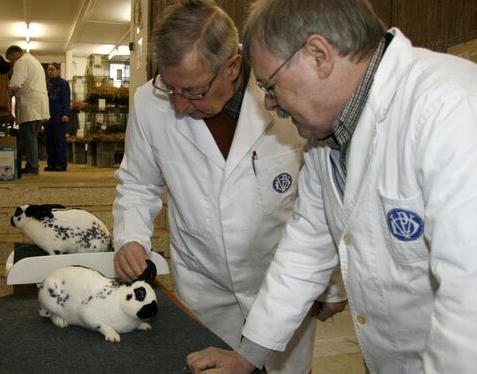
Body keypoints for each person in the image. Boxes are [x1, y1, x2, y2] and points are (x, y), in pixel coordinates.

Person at [186, 0, 477, 373]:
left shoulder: (455, 110)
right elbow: (304, 250)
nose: (271, 103)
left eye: (270, 84)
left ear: (318, 55)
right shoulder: (328, 139)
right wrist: (249, 355)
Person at [112, 1, 346, 373]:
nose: (177, 106)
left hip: (281, 284)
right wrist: (131, 237)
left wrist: (331, 282)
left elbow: (322, 197)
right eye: (167, 87)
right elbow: (138, 183)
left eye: (191, 91)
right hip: (204, 286)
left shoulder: (287, 97)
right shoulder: (147, 103)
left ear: (232, 67)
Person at [6, 45, 49, 175]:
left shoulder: (21, 61)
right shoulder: (33, 61)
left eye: (10, 60)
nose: (12, 63)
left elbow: (15, 83)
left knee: (29, 137)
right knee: (32, 137)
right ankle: (32, 164)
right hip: (37, 104)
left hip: (30, 105)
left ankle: (32, 167)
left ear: (15, 55)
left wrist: (6, 87)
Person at [44, 62, 71, 171]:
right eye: (49, 70)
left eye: (52, 69)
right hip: (47, 113)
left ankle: (61, 164)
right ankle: (51, 164)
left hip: (59, 113)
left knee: (59, 140)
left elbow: (66, 99)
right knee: (49, 140)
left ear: (58, 70)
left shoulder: (63, 83)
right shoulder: (45, 84)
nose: (50, 71)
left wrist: (66, 114)